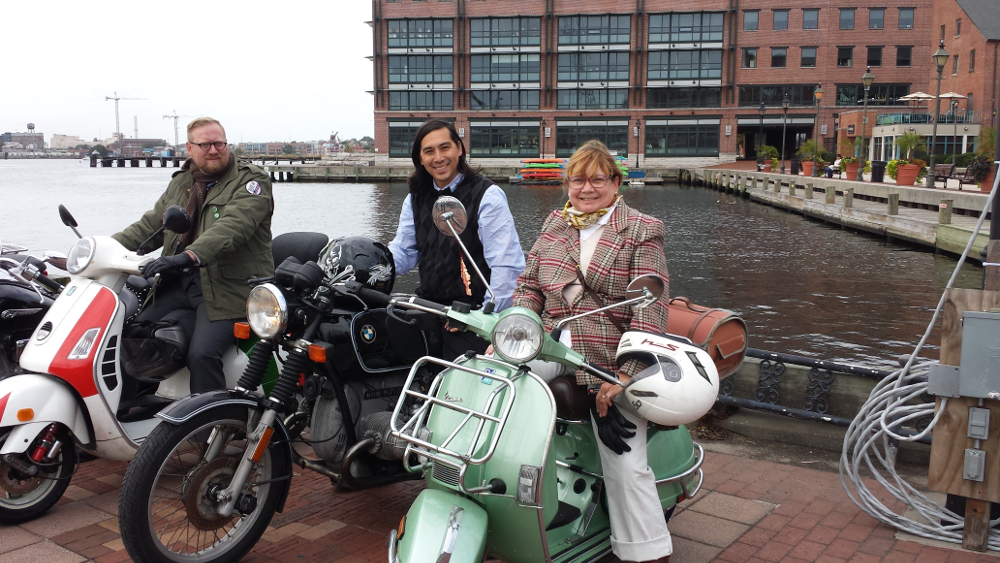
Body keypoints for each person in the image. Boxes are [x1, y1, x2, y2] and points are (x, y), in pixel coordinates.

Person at [512, 139, 672, 563]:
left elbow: (650, 310)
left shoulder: (641, 229)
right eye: (577, 179)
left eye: (597, 179)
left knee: (624, 460)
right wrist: (517, 329)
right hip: (551, 345)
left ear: (616, 183)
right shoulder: (555, 225)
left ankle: (647, 552)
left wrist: (625, 376)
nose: (586, 188)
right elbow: (529, 286)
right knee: (494, 387)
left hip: (608, 356)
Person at [112, 117, 274, 393]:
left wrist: (189, 255)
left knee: (202, 354)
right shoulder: (183, 182)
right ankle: (131, 408)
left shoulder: (251, 180)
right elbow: (151, 226)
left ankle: (211, 416)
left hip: (229, 287)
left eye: (219, 144)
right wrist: (102, 250)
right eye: (205, 145)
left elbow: (233, 227)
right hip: (180, 282)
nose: (214, 150)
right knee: (132, 335)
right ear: (189, 148)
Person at [388, 119, 524, 360]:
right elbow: (404, 252)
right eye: (429, 151)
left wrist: (485, 318)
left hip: (472, 312)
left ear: (459, 149)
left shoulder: (488, 195)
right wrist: (374, 264)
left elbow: (506, 266)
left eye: (445, 148)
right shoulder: (415, 198)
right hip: (428, 306)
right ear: (420, 158)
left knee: (460, 378)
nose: (438, 158)